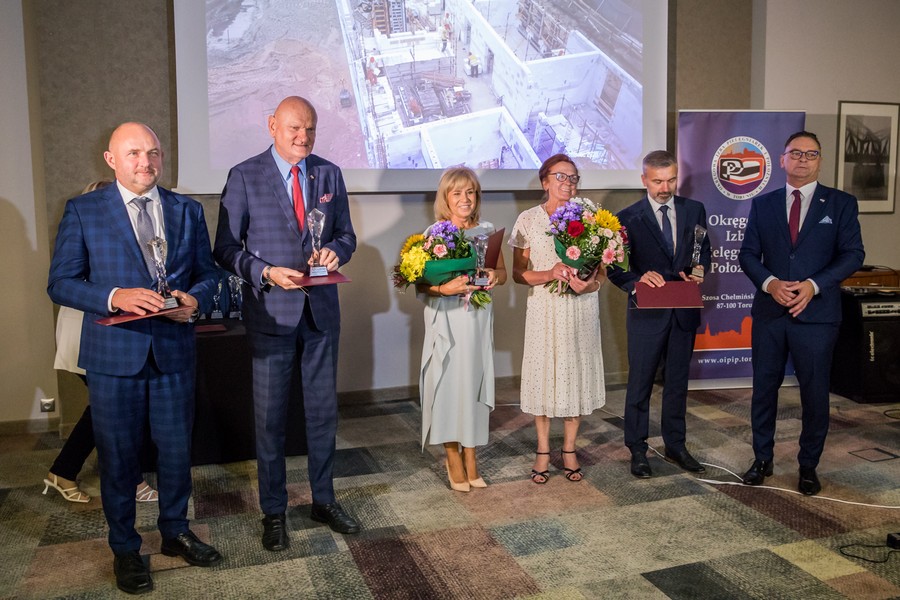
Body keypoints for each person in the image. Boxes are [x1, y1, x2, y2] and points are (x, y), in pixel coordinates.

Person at [47, 123, 222, 594]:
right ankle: (125, 548)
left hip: (173, 351)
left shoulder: (186, 210)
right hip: (113, 357)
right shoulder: (84, 210)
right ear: (111, 160)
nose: (145, 162)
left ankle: (175, 532)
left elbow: (208, 274)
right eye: (133, 153)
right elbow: (60, 283)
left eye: (153, 152)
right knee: (119, 457)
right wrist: (114, 296)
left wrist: (194, 300)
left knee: (176, 453)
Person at [214, 96, 359, 551]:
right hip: (271, 313)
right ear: (272, 125)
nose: (303, 137)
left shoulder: (329, 173)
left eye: (310, 129)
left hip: (321, 315)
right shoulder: (244, 175)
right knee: (271, 420)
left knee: (323, 414)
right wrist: (264, 272)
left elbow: (346, 235)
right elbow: (224, 249)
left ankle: (323, 500)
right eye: (295, 128)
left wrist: (337, 251)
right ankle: (273, 511)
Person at [738, 131, 864, 496]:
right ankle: (762, 458)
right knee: (764, 389)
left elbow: (853, 254)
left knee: (814, 393)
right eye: (796, 153)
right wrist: (770, 283)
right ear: (783, 159)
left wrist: (813, 285)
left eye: (811, 154)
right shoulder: (763, 204)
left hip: (817, 315)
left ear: (820, 160)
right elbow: (748, 254)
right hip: (770, 313)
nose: (803, 159)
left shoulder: (841, 203)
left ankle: (808, 465)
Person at [44, 180, 159, 506]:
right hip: (87, 333)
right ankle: (127, 480)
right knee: (111, 411)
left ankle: (64, 471)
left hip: (111, 336)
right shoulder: (85, 230)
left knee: (107, 410)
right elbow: (66, 284)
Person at [608, 150, 712, 478]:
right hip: (647, 313)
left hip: (683, 310)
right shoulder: (626, 218)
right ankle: (637, 449)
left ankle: (675, 445)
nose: (665, 188)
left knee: (677, 382)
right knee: (640, 383)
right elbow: (615, 268)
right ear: (644, 180)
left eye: (671, 180)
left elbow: (702, 252)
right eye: (657, 181)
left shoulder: (695, 209)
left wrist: (698, 272)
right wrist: (637, 281)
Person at [509, 153, 606, 484]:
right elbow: (518, 273)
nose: (568, 183)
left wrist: (590, 285)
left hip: (580, 307)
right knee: (544, 375)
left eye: (573, 177)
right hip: (544, 308)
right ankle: (541, 450)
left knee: (574, 374)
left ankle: (569, 449)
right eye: (561, 176)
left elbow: (601, 272)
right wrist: (549, 273)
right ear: (545, 181)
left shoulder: (591, 218)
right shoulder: (528, 220)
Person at [417, 167, 506, 492]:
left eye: (470, 192)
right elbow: (421, 284)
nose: (465, 199)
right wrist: (445, 289)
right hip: (447, 318)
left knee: (473, 384)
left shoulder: (487, 230)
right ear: (446, 198)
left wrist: (494, 276)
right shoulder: (434, 233)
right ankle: (452, 455)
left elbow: (501, 272)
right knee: (448, 385)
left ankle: (471, 454)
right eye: (457, 193)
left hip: (477, 318)